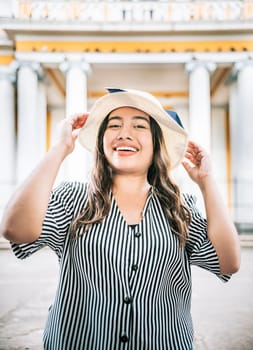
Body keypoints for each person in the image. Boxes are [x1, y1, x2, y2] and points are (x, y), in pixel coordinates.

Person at [0, 87, 240, 350]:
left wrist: (207, 183)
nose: (125, 133)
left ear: (156, 144)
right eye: (114, 125)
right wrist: (60, 149)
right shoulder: (72, 199)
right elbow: (15, 229)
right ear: (102, 141)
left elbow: (228, 263)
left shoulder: (180, 209)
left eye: (139, 126)